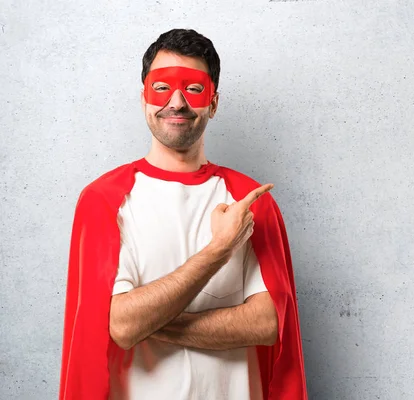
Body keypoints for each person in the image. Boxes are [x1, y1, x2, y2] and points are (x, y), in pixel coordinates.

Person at [58, 28, 307, 400]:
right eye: (161, 87)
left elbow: (269, 323)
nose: (176, 102)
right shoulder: (105, 200)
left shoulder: (250, 201)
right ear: (144, 97)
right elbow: (123, 326)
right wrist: (219, 250)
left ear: (214, 102)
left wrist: (151, 319)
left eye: (193, 88)